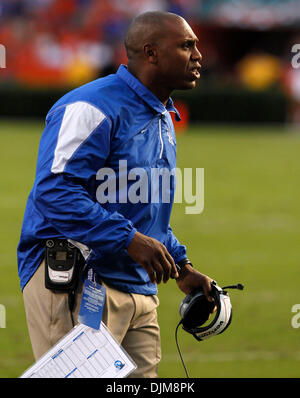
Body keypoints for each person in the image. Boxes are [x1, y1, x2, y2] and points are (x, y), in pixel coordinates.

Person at [17, 11, 215, 378]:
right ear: (151, 52)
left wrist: (181, 266)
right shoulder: (91, 107)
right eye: (187, 46)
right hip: (78, 279)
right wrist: (129, 239)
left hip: (136, 283)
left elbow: (142, 213)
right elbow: (53, 191)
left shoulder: (161, 116)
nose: (198, 55)